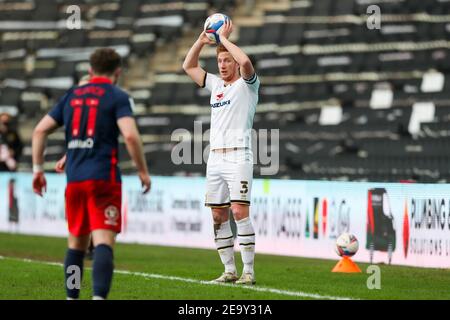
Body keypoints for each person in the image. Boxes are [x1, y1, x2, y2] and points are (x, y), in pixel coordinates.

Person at [32, 48, 151, 300]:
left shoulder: (71, 95)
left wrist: (38, 170)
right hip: (103, 178)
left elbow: (39, 131)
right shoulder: (117, 96)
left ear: (90, 70)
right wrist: (142, 170)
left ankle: (71, 297)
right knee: (103, 241)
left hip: (74, 179)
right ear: (117, 72)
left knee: (76, 245)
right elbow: (129, 135)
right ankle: (98, 297)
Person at [183, 20, 260, 285]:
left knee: (239, 212)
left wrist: (223, 39)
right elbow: (189, 67)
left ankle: (248, 271)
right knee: (218, 215)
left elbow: (247, 63)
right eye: (220, 61)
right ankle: (229, 270)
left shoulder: (248, 86)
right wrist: (202, 41)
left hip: (239, 155)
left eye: (227, 61)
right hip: (215, 157)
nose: (223, 65)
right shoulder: (216, 85)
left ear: (235, 63)